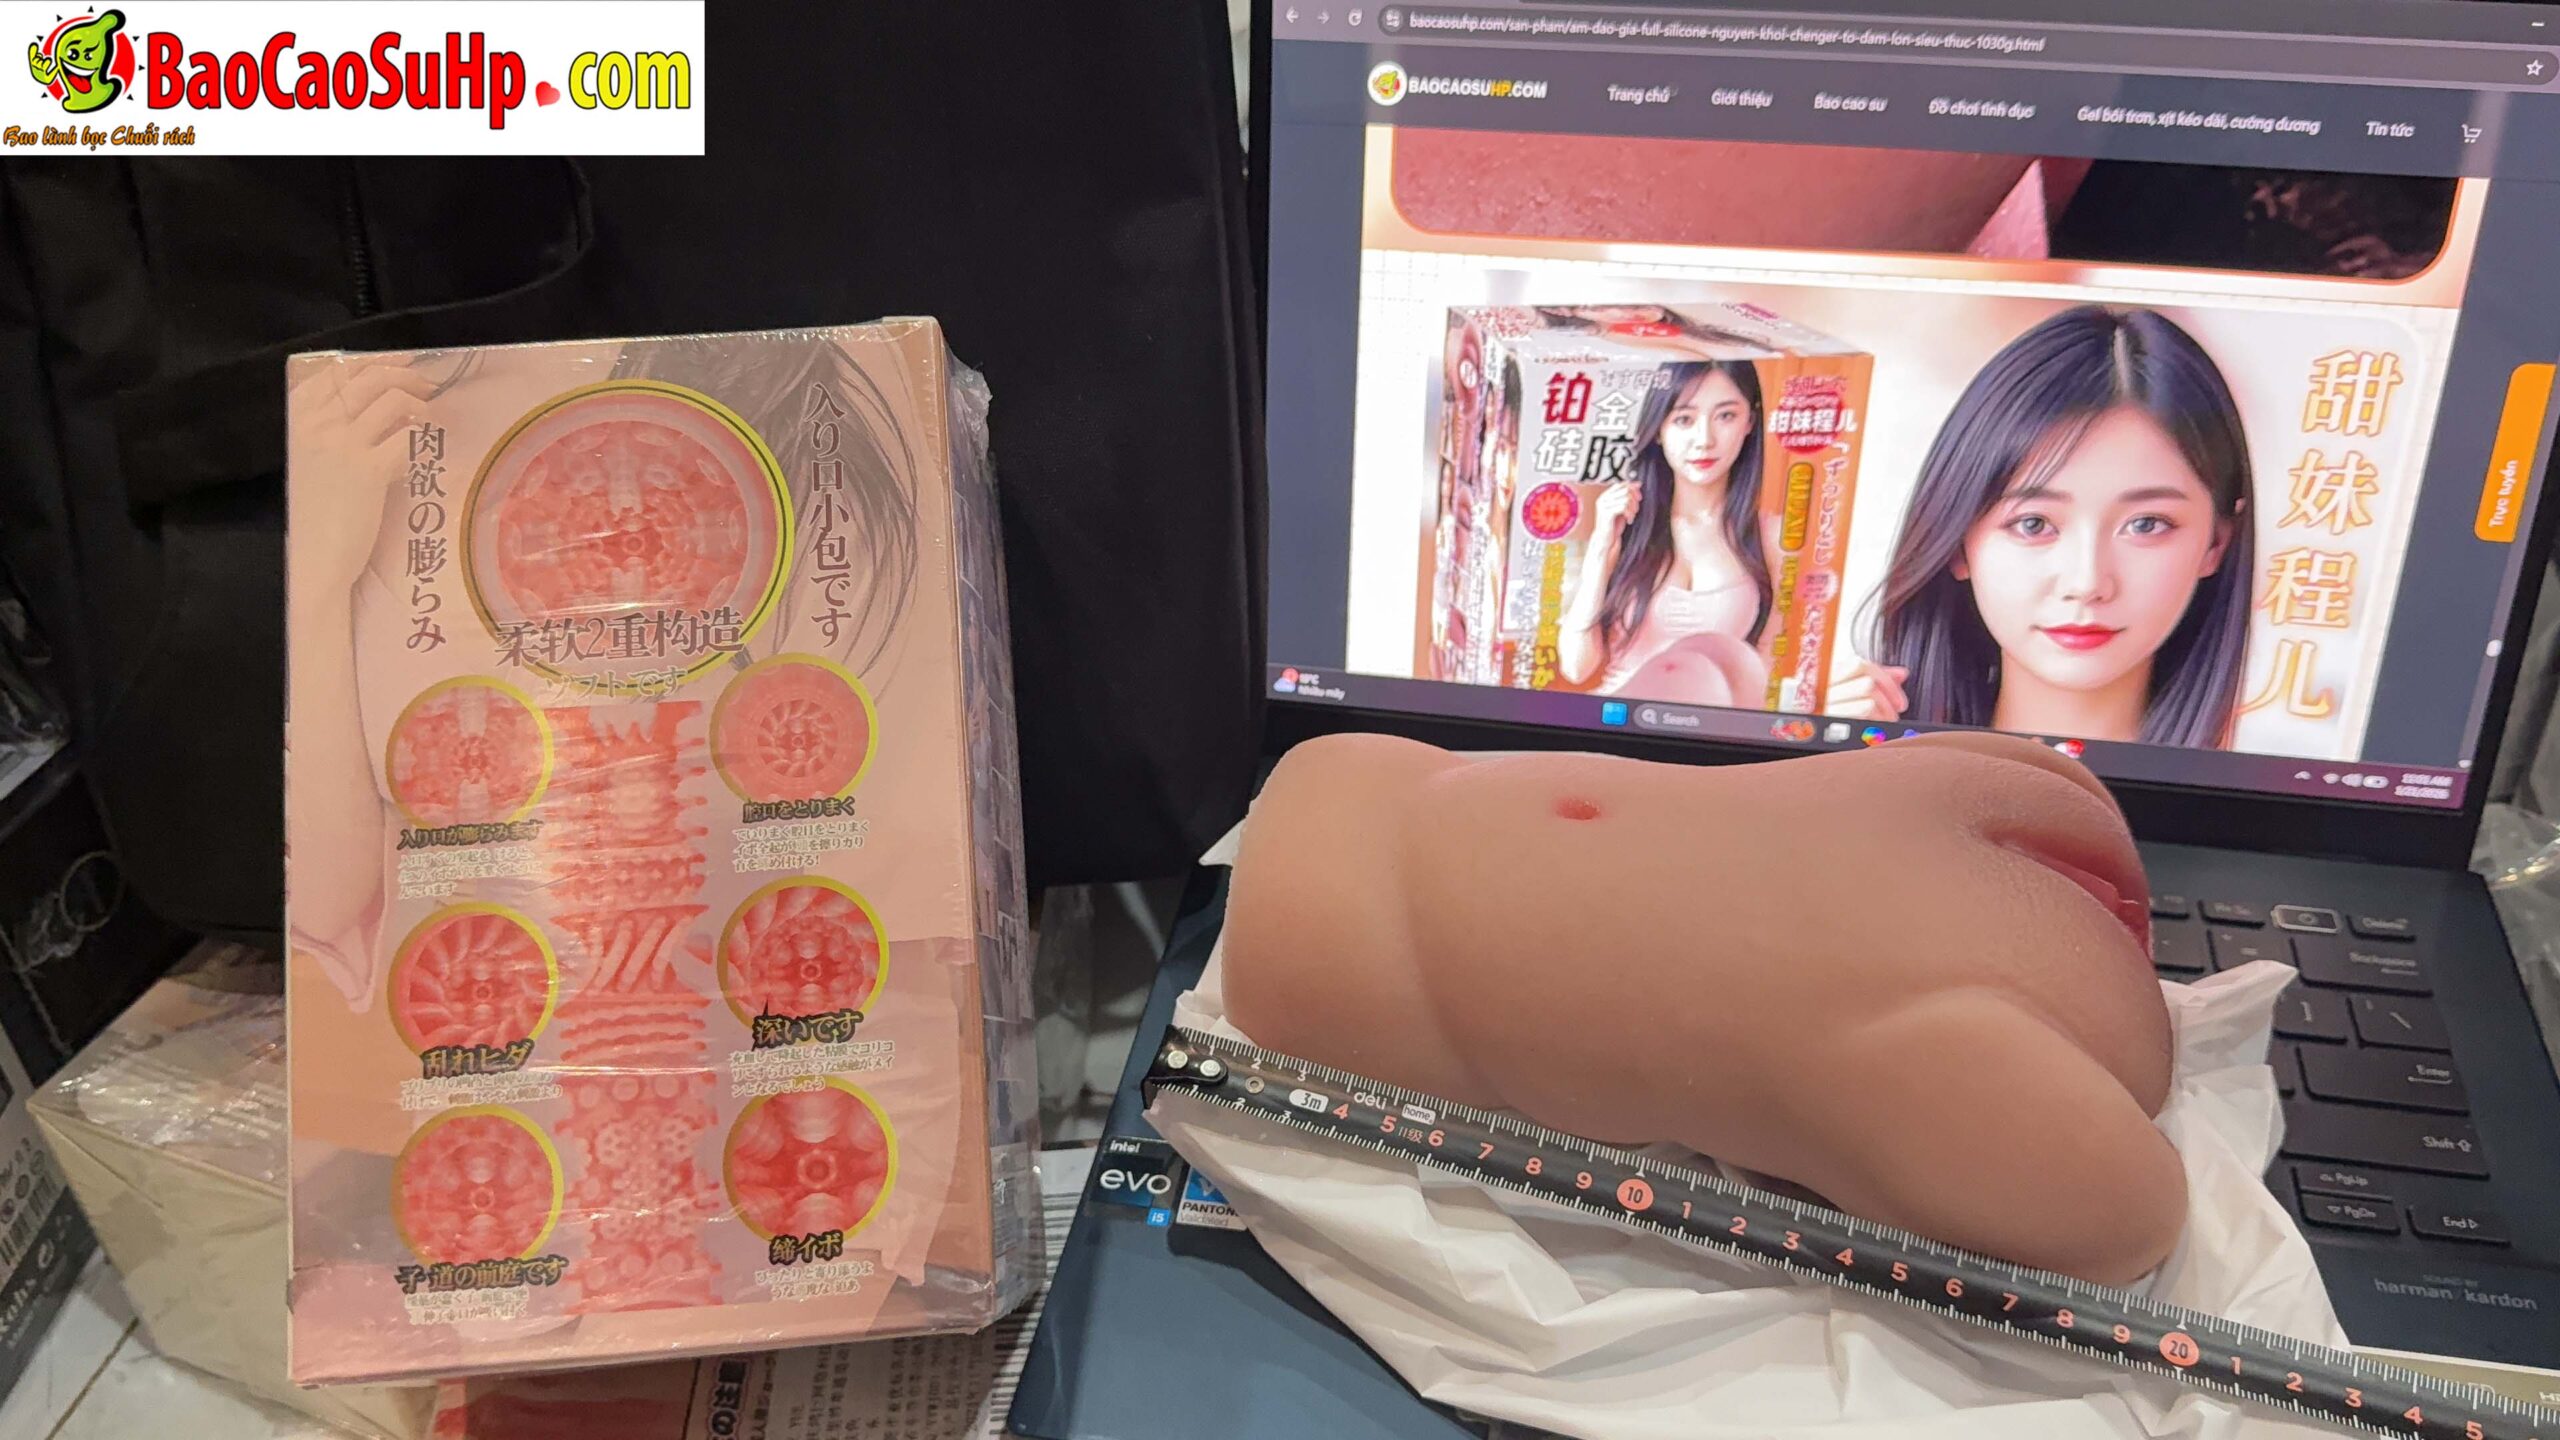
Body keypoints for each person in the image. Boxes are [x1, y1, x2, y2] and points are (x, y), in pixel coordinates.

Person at [1830, 306, 2255, 748]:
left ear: (2216, 543)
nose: (2086, 583)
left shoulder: (2262, 779)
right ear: (1957, 543)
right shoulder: (1871, 755)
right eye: (2034, 524)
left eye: (2146, 525)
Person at [1555, 360, 1774, 705]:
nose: (1704, 440)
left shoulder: (1768, 536)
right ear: (1659, 429)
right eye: (1684, 419)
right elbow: (1576, 667)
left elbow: (1765, 666)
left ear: (1750, 421)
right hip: (1615, 718)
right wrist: (1601, 550)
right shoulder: (1624, 523)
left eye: (1726, 416)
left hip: (1707, 727)